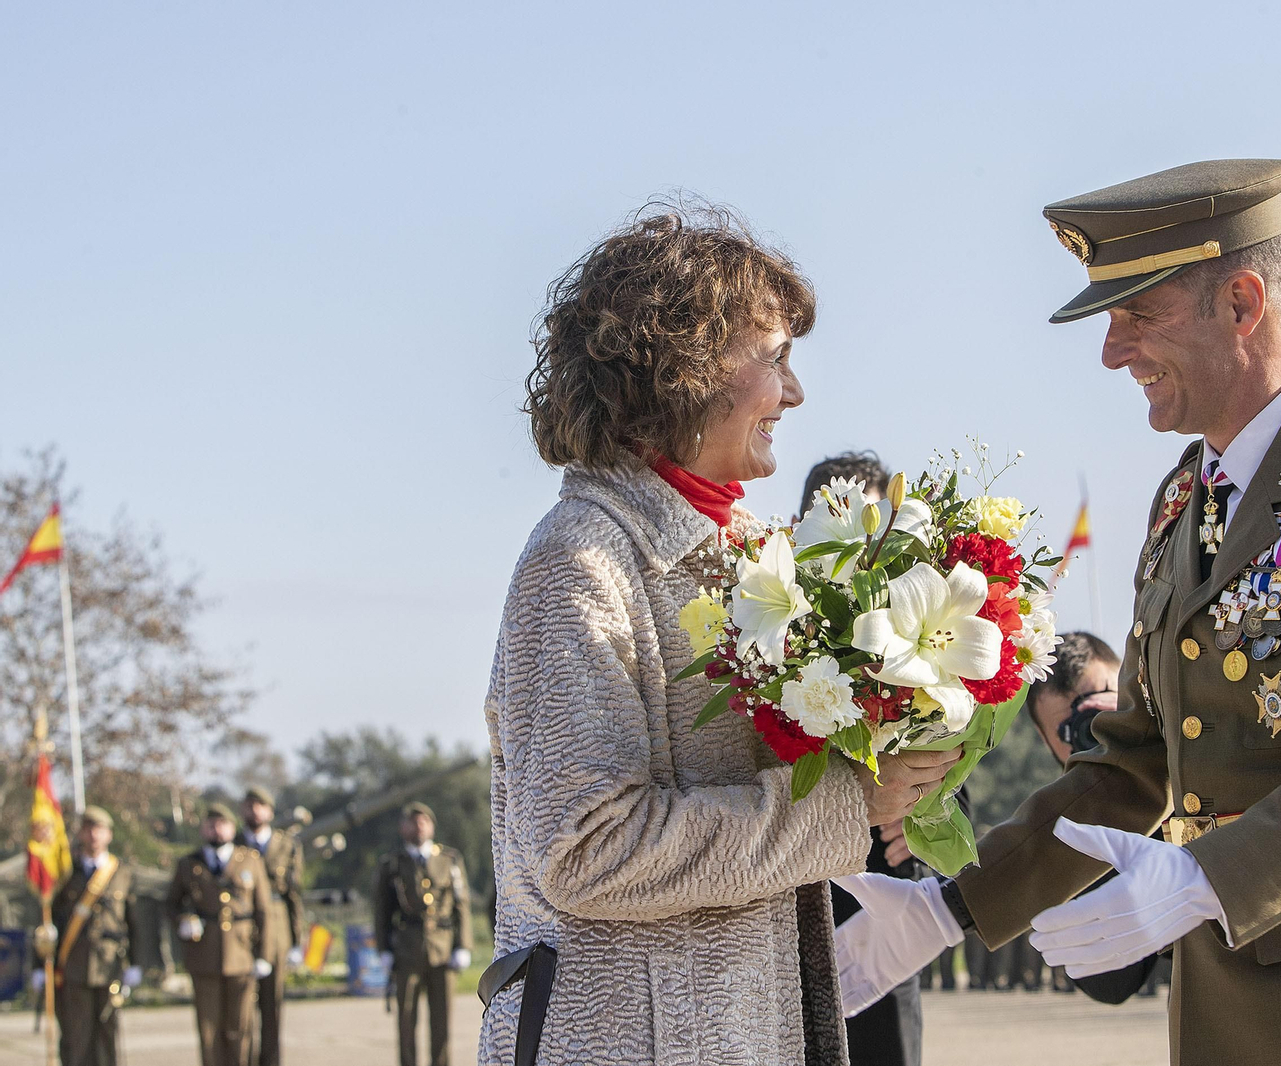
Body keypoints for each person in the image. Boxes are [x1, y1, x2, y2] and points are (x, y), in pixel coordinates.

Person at [834, 159, 1281, 1065]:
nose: (1113, 352)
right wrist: (953, 905)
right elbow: (1137, 757)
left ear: (1241, 302)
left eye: (1137, 314)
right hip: (1228, 994)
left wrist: (1206, 877)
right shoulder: (1181, 503)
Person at [478, 205, 960, 1066]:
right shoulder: (579, 560)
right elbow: (587, 851)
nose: (795, 392)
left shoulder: (740, 556)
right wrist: (850, 806)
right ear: (684, 368)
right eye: (774, 359)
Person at [803, 450, 927, 1065]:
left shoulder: (917, 630)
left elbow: (952, 768)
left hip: (882, 923)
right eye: (845, 519)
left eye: (879, 522)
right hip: (792, 911)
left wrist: (923, 809)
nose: (865, 541)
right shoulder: (780, 631)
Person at [1027, 632, 1169, 1001]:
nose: (1096, 731)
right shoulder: (1065, 830)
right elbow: (1109, 984)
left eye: (1102, 707)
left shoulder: (1191, 731)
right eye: (1071, 728)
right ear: (1046, 740)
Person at [167, 802, 272, 1066]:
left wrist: (264, 955)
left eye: (222, 824)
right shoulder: (189, 864)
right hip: (204, 957)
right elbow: (171, 904)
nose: (216, 830)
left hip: (241, 954)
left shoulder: (249, 860)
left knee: (240, 1029)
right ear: (203, 829)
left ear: (232, 827)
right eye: (211, 824)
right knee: (209, 1031)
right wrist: (183, 921)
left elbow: (263, 910)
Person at [37, 805, 141, 1066]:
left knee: (107, 1035)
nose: (93, 835)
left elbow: (135, 923)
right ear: (81, 834)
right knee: (76, 1037)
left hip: (109, 965)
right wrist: (39, 965)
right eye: (88, 829)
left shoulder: (122, 873)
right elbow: (48, 922)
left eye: (99, 829)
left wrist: (136, 964)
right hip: (73, 967)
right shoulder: (64, 873)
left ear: (109, 835)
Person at [374, 801, 472, 1066]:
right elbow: (381, 911)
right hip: (406, 949)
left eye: (423, 821)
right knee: (406, 1021)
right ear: (402, 827)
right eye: (412, 821)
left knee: (441, 1021)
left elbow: (461, 906)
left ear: (432, 826)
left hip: (442, 948)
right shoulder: (392, 864)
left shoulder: (449, 859)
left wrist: (463, 946)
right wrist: (383, 949)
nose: (418, 826)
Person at [240, 786, 303, 1066]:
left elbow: (294, 895)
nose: (255, 811)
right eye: (250, 805)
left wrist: (295, 940)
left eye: (260, 805)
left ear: (270, 811)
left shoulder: (287, 845)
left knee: (272, 1005)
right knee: (241, 1007)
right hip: (242, 923)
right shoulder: (235, 842)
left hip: (276, 923)